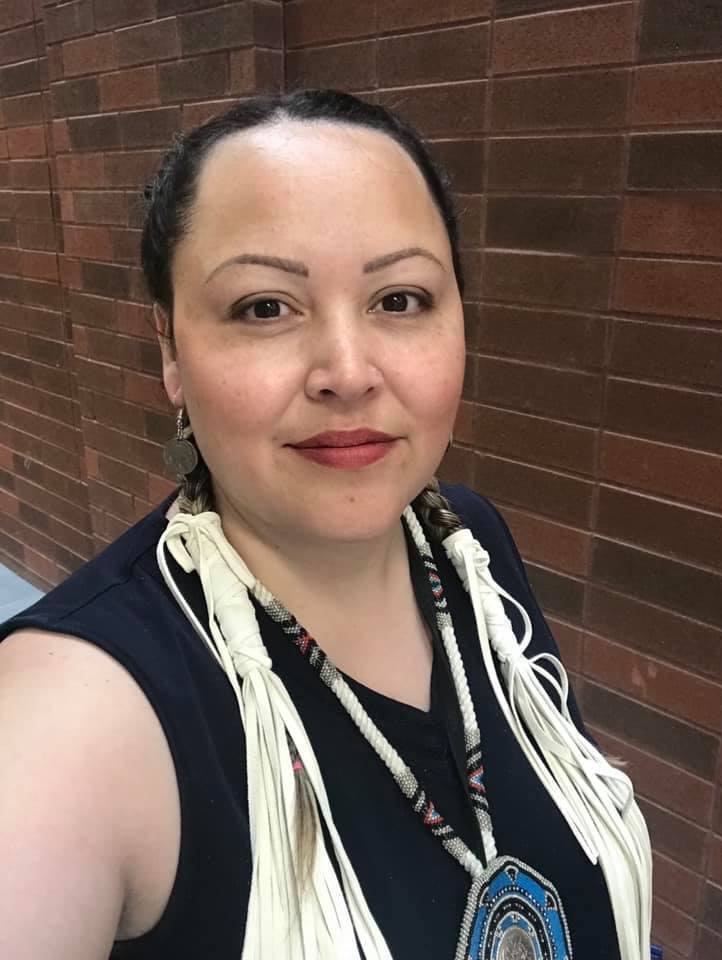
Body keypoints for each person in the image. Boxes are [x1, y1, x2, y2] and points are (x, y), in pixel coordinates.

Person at [0, 90, 651, 960]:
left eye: (400, 299)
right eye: (264, 307)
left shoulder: (469, 546)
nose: (347, 372)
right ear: (170, 350)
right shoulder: (76, 715)